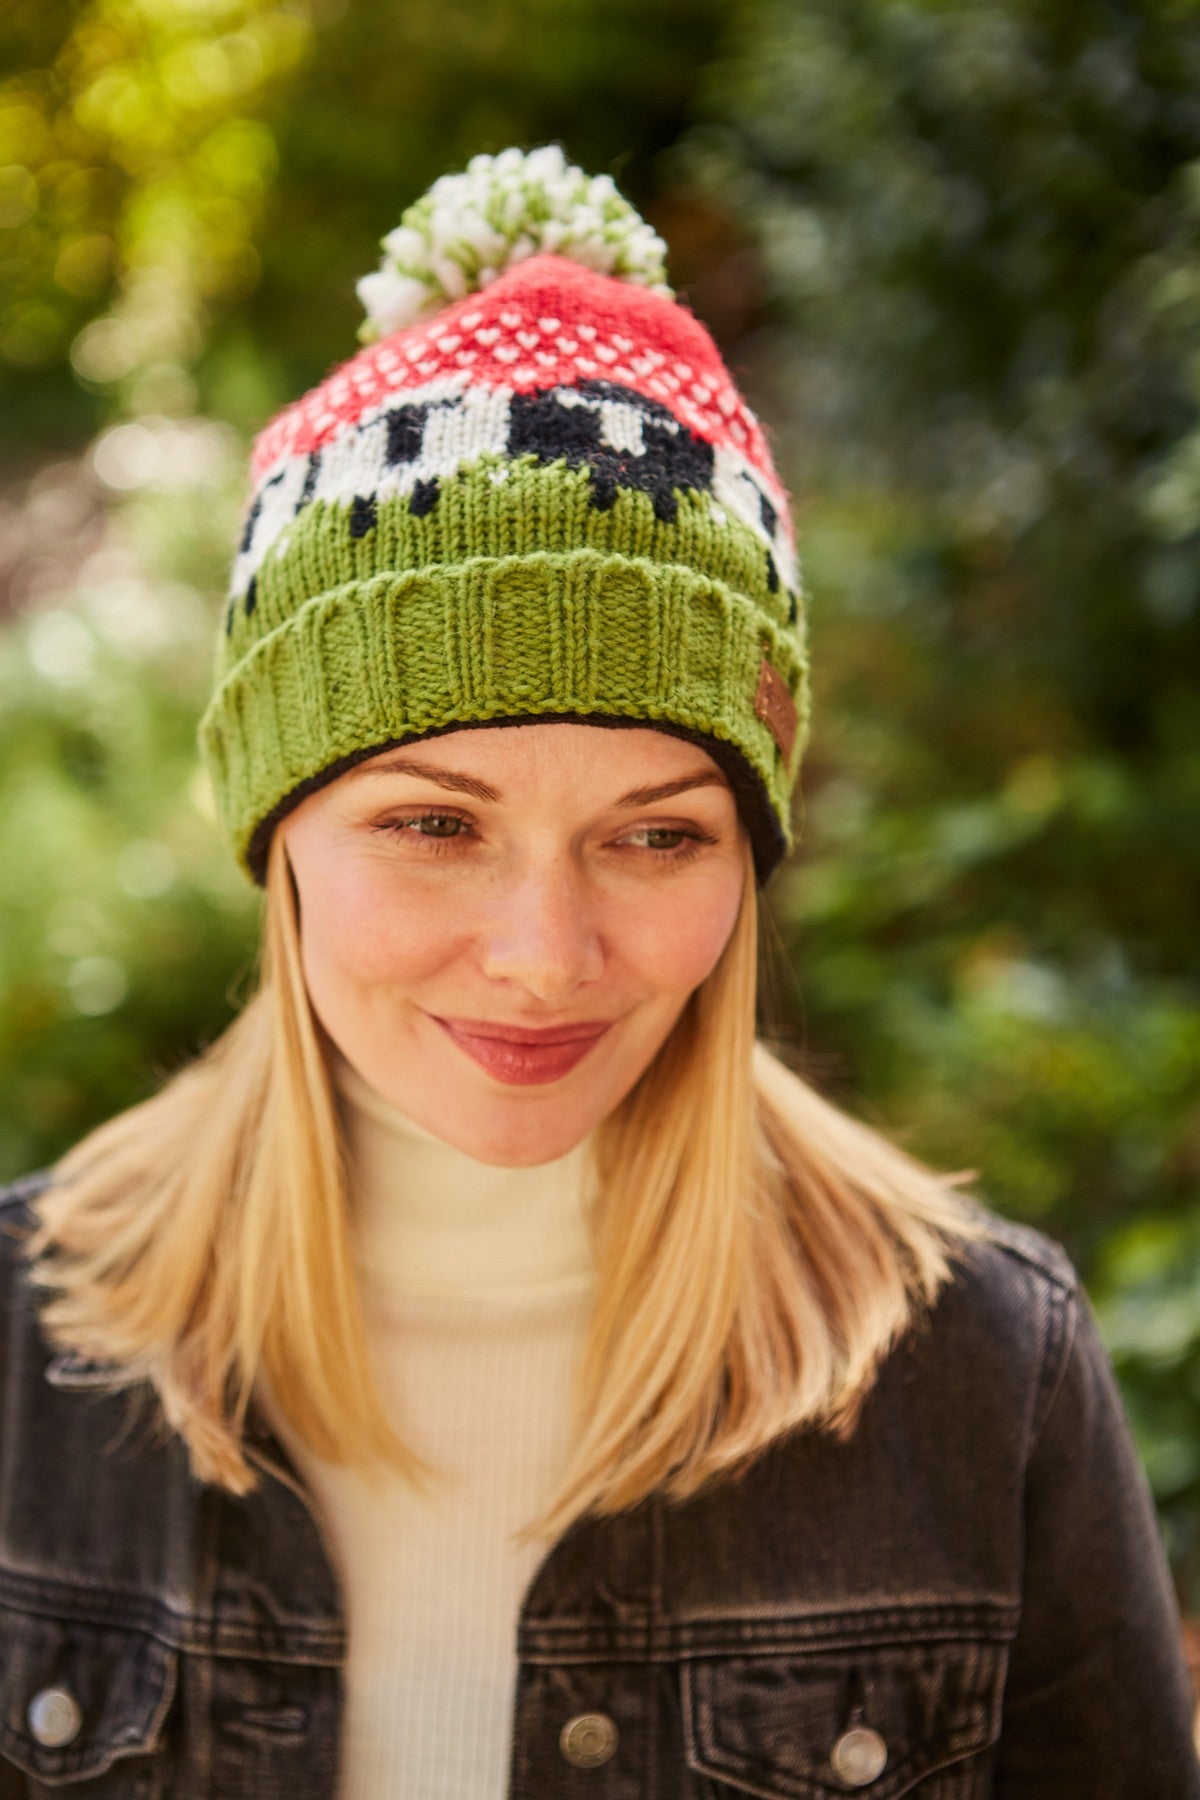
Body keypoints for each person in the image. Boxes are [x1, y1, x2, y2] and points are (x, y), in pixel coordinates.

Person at [0, 144, 1195, 1800]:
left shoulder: (982, 1376)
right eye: (433, 823)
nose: (545, 958)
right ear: (275, 838)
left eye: (655, 838)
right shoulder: (20, 1358)